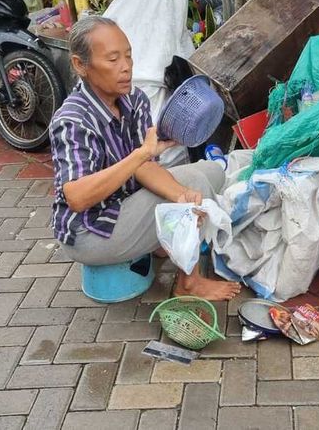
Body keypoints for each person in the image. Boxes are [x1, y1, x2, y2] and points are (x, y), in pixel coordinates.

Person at [49, 16, 241, 301]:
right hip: (91, 231)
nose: (126, 67)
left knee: (210, 173)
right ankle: (189, 283)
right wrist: (141, 155)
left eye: (128, 56)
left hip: (124, 206)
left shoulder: (133, 99)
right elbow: (77, 197)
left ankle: (163, 242)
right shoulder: (73, 120)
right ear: (80, 65)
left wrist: (181, 195)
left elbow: (145, 168)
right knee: (195, 189)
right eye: (113, 59)